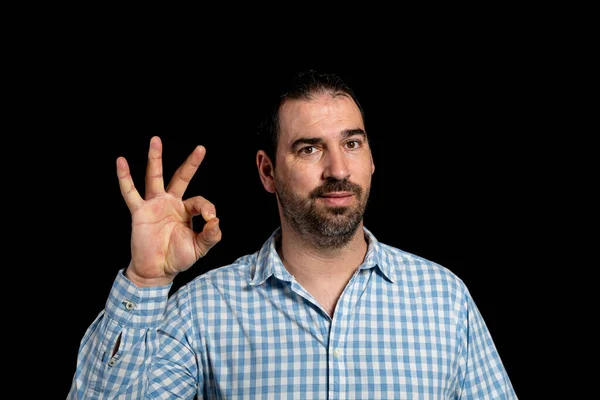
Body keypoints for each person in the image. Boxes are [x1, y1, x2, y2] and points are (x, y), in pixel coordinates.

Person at [67, 70, 517, 399]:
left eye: (352, 143)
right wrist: (145, 281)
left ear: (372, 158)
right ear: (268, 171)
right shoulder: (201, 312)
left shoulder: (445, 300)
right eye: (310, 149)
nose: (338, 169)